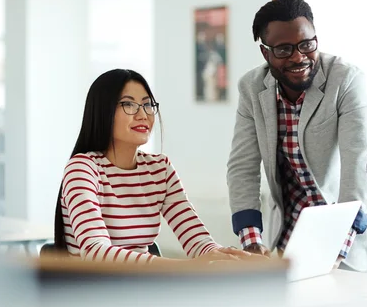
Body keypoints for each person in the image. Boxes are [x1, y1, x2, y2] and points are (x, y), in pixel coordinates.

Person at [227, 0, 367, 271]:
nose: (298, 57)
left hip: (350, 236)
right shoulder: (252, 88)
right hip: (289, 234)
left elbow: (359, 163)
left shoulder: (346, 80)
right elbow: (242, 166)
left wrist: (338, 247)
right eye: (284, 50)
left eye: (307, 44)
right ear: (266, 53)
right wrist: (251, 240)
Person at [53, 69, 249, 264]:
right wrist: (184, 267)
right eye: (128, 104)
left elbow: (198, 242)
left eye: (147, 104)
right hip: (95, 291)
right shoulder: (82, 169)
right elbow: (96, 252)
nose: (143, 114)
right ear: (103, 110)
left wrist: (230, 257)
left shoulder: (159, 169)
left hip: (144, 289)